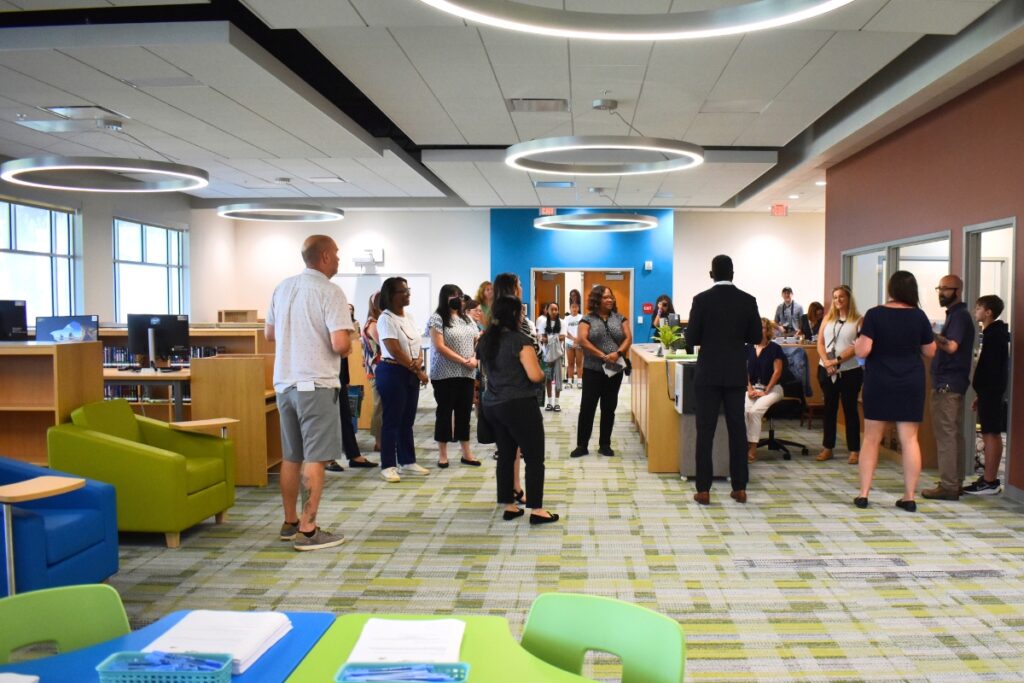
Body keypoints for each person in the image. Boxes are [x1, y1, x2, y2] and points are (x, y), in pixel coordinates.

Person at [265, 234, 351, 551]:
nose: (339, 259)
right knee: (316, 457)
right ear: (325, 256)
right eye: (337, 254)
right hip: (315, 384)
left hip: (285, 383)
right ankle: (309, 529)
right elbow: (340, 344)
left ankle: (290, 522)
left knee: (292, 455)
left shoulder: (282, 287)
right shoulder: (330, 292)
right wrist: (348, 343)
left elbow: (269, 334)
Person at [854, 270, 936, 512]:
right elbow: (930, 351)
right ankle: (909, 497)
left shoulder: (875, 314)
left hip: (879, 381)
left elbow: (862, 351)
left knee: (871, 439)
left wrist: (860, 339)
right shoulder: (919, 316)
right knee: (909, 440)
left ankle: (864, 494)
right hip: (910, 381)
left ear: (890, 289)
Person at [685, 255, 762, 505]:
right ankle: (739, 487)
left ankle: (704, 489)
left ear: (711, 274)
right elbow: (756, 336)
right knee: (737, 429)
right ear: (733, 273)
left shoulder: (701, 300)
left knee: (705, 431)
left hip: (708, 374)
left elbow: (692, 337)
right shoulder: (748, 300)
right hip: (735, 373)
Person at [477, 295, 558, 525]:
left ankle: (509, 506)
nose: (523, 316)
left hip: (493, 405)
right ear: (513, 314)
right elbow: (535, 374)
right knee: (534, 457)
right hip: (520, 405)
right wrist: (543, 374)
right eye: (521, 313)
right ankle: (537, 509)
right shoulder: (519, 340)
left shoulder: (485, 341)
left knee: (505, 455)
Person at [922, 274, 975, 502]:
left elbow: (952, 346)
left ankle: (949, 485)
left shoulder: (960, 316)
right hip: (951, 382)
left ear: (957, 291)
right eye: (939, 288)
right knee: (953, 435)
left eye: (945, 289)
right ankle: (955, 481)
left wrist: (930, 335)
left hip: (948, 383)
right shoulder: (955, 315)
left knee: (946, 436)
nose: (941, 293)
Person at [375, 277, 431, 483]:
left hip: (409, 372)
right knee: (392, 420)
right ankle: (388, 465)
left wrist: (418, 362)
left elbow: (417, 344)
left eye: (408, 290)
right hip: (392, 372)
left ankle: (407, 461)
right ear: (392, 295)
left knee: (407, 420)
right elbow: (393, 349)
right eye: (403, 291)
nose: (408, 294)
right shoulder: (386, 318)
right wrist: (416, 369)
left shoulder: (409, 317)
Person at [571, 285, 633, 458]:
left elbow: (628, 337)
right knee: (587, 407)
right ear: (597, 300)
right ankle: (582, 445)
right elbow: (582, 340)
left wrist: (618, 353)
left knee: (609, 407)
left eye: (611, 297)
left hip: (615, 368)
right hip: (593, 370)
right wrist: (603, 355)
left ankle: (605, 444)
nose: (610, 300)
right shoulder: (587, 319)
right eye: (606, 297)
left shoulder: (620, 318)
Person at [491, 272, 536, 499]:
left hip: (497, 393)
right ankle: (515, 488)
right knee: (518, 449)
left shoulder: (494, 319)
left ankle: (513, 489)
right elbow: (529, 351)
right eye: (519, 284)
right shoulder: (515, 319)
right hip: (517, 391)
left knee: (508, 449)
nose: (522, 287)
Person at [427, 284, 481, 468]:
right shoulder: (437, 318)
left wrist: (474, 358)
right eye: (452, 296)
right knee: (444, 412)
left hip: (467, 373)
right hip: (444, 374)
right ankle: (443, 454)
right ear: (445, 298)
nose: (457, 298)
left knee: (464, 412)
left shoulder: (467, 318)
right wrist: (463, 360)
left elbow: (477, 340)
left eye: (458, 295)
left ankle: (466, 452)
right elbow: (440, 346)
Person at [964, 295, 1009, 495]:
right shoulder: (991, 333)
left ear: (988, 312)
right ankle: (989, 479)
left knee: (991, 434)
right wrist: (980, 394)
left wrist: (985, 392)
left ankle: (990, 481)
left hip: (992, 392)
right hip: (988, 392)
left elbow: (992, 369)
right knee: (990, 433)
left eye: (978, 307)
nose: (976, 311)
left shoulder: (994, 335)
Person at [326, 303, 378, 472]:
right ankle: (328, 458)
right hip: (325, 378)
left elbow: (344, 357)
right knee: (329, 419)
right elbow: (340, 349)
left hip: (339, 376)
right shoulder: (325, 325)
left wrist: (346, 379)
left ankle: (354, 455)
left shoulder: (341, 327)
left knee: (345, 416)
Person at [815, 286, 863, 464]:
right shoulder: (828, 318)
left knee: (850, 410)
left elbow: (857, 346)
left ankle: (854, 450)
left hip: (849, 371)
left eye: (841, 297)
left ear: (849, 298)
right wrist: (826, 361)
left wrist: (836, 362)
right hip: (826, 369)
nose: (838, 300)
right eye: (835, 297)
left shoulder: (858, 319)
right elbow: (820, 342)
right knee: (829, 410)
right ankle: (828, 447)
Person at [745, 318, 786, 464]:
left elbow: (777, 372)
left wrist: (766, 391)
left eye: (762, 328)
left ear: (767, 330)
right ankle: (743, 445)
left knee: (755, 412)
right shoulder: (748, 348)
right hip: (753, 388)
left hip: (773, 388)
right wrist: (749, 389)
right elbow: (744, 372)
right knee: (744, 410)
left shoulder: (775, 348)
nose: (759, 330)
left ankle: (753, 448)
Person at [361, 291, 384, 452]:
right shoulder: (373, 324)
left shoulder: (379, 321)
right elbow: (385, 344)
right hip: (377, 370)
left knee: (384, 406)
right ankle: (379, 441)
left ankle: (382, 440)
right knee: (379, 407)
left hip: (381, 370)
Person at [537, 302, 565, 412]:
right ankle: (549, 403)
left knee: (558, 378)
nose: (554, 311)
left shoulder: (562, 322)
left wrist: (548, 339)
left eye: (556, 309)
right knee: (548, 378)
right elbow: (541, 337)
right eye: (552, 309)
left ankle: (557, 403)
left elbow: (562, 337)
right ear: (547, 310)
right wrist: (554, 338)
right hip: (546, 355)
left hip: (558, 354)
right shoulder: (543, 322)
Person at [563, 301, 583, 389]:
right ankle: (569, 381)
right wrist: (573, 339)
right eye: (572, 307)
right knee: (570, 363)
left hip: (579, 343)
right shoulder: (566, 318)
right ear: (570, 308)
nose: (574, 309)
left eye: (576, 307)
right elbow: (564, 331)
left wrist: (577, 340)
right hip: (569, 343)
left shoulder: (582, 317)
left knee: (579, 363)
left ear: (578, 308)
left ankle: (579, 381)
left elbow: (583, 330)